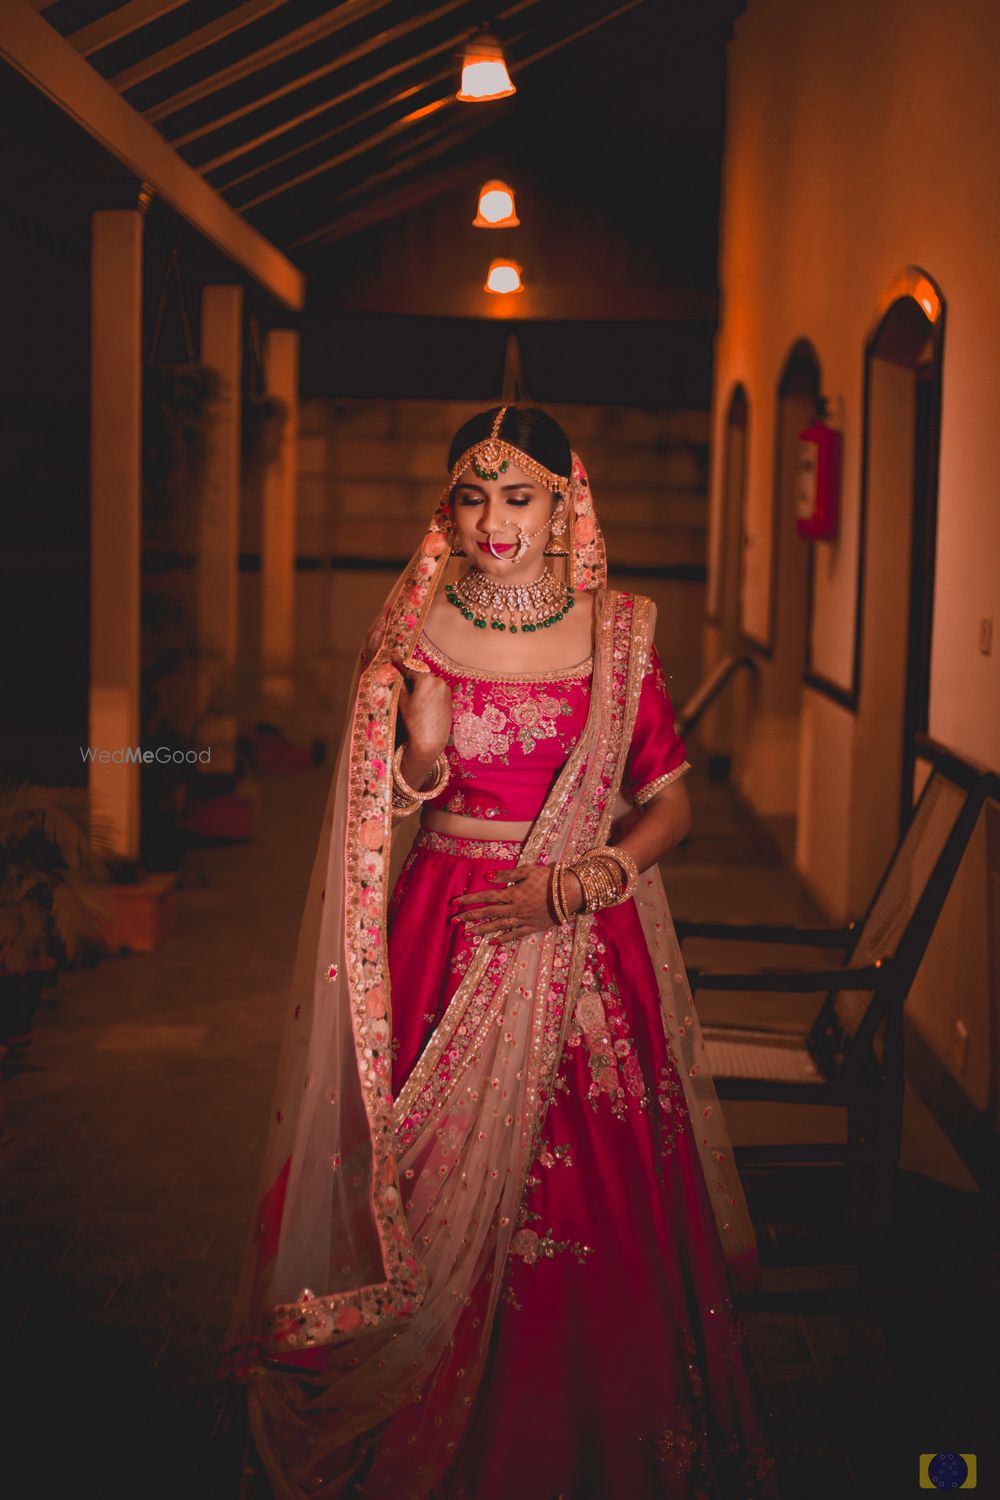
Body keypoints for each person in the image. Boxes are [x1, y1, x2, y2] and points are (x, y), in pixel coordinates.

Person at [219, 406, 780, 1498]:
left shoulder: (618, 633)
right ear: (449, 510)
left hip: (582, 945)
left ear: (564, 505)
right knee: (420, 1187)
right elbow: (372, 813)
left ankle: (590, 1427)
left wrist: (578, 884)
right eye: (473, 498)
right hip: (446, 934)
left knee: (588, 1196)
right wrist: (424, 748)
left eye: (518, 497)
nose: (495, 522)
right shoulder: (412, 631)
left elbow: (669, 806)